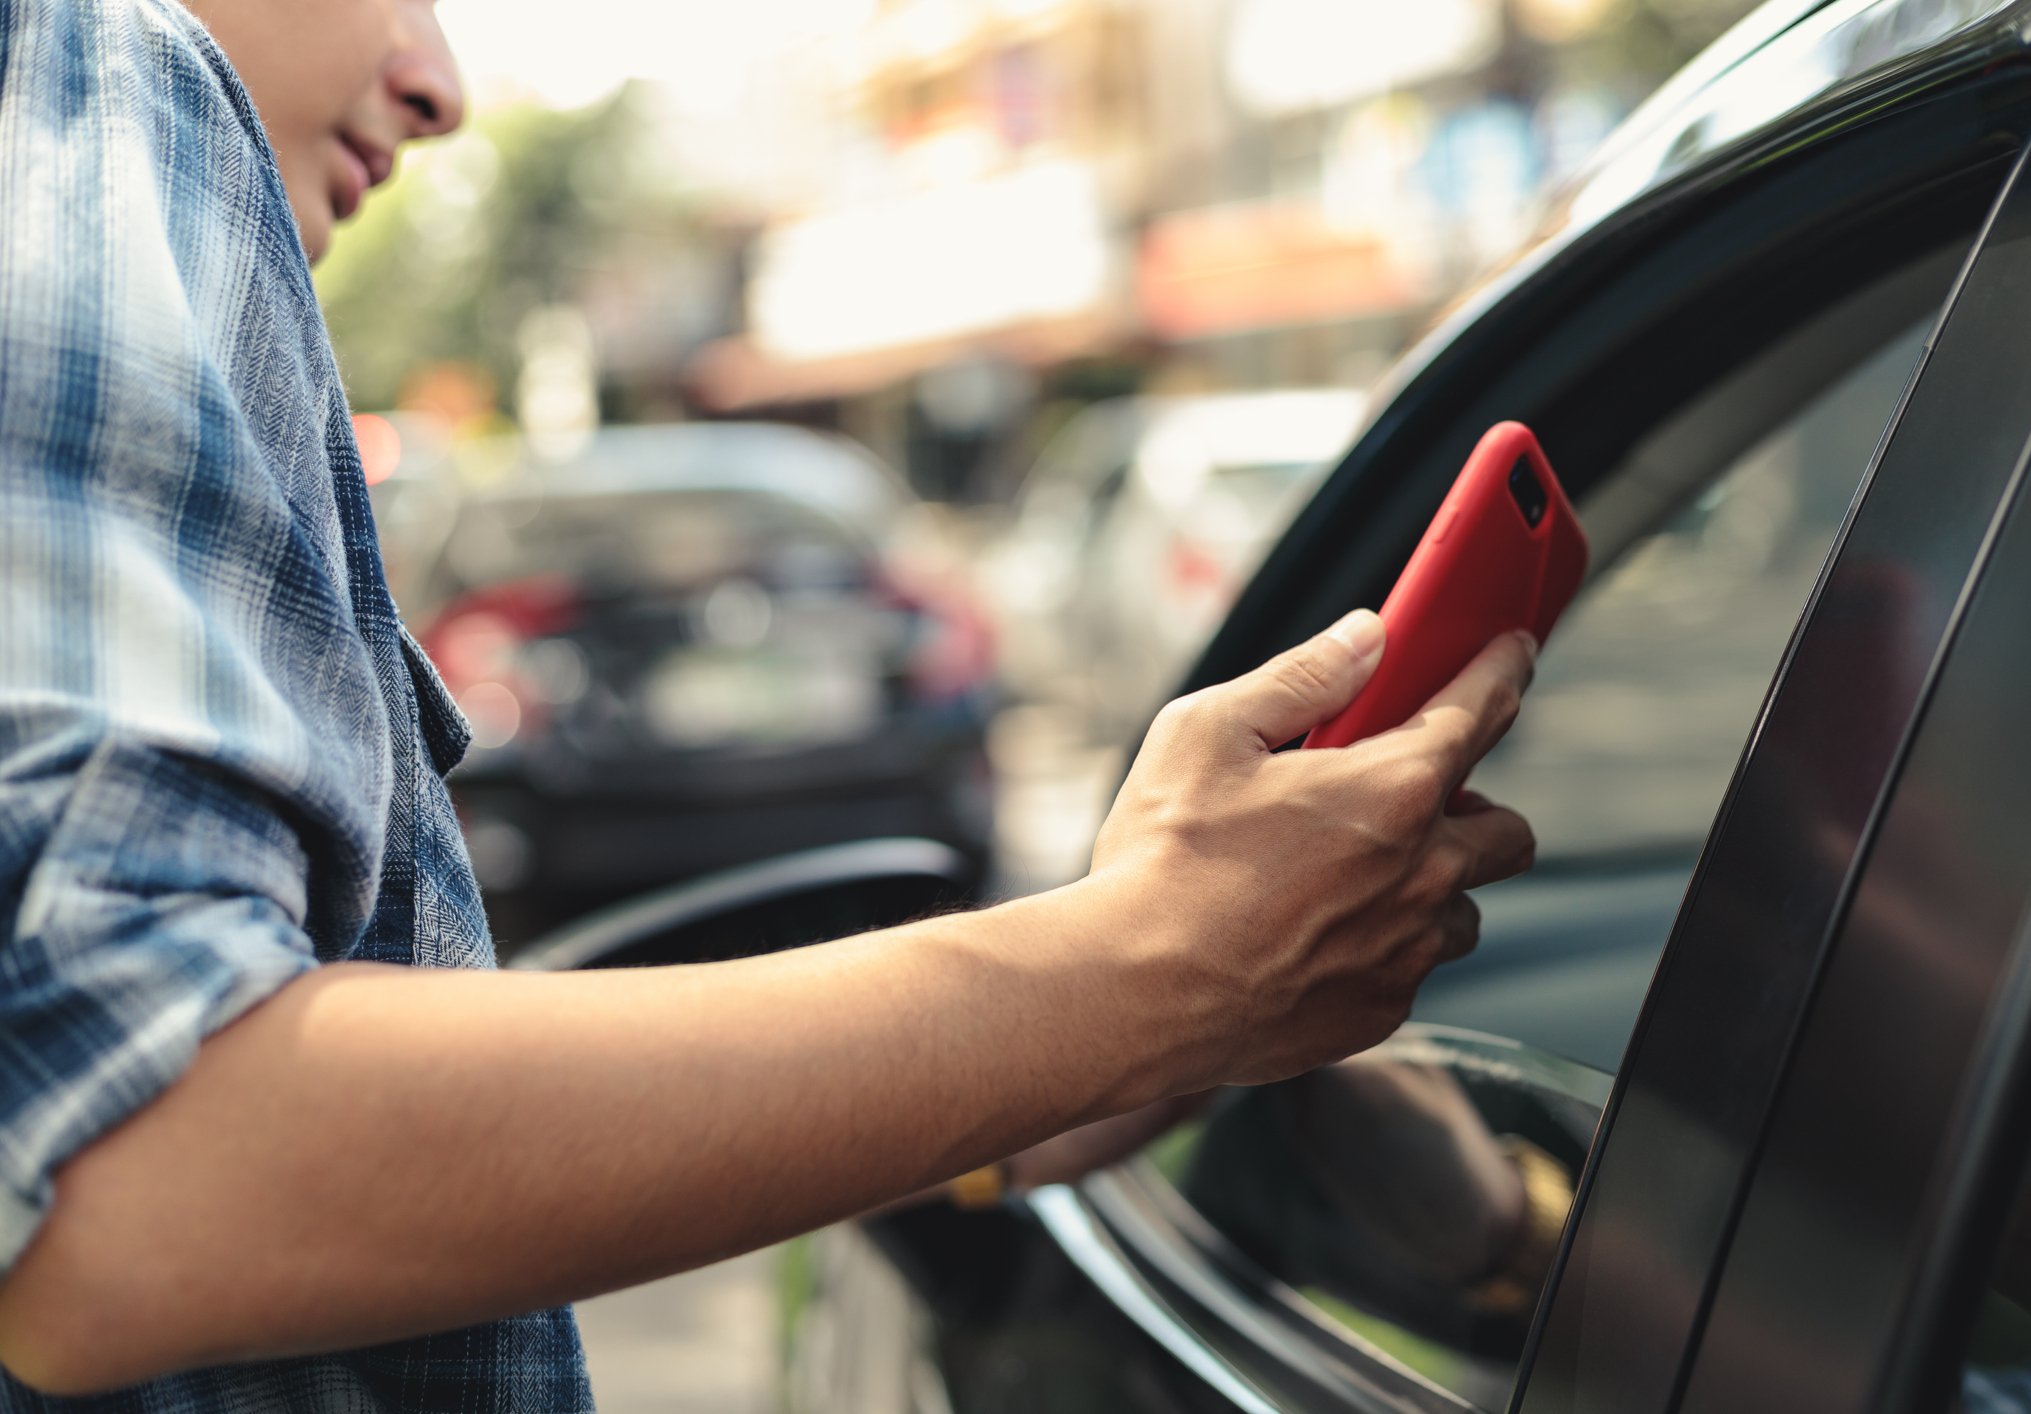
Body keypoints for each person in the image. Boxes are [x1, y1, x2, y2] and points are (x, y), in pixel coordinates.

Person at [0, 0, 1540, 1405]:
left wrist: (1090, 1040)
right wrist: (1150, 968)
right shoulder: (89, 70)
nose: (438, 83)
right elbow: (134, 1164)